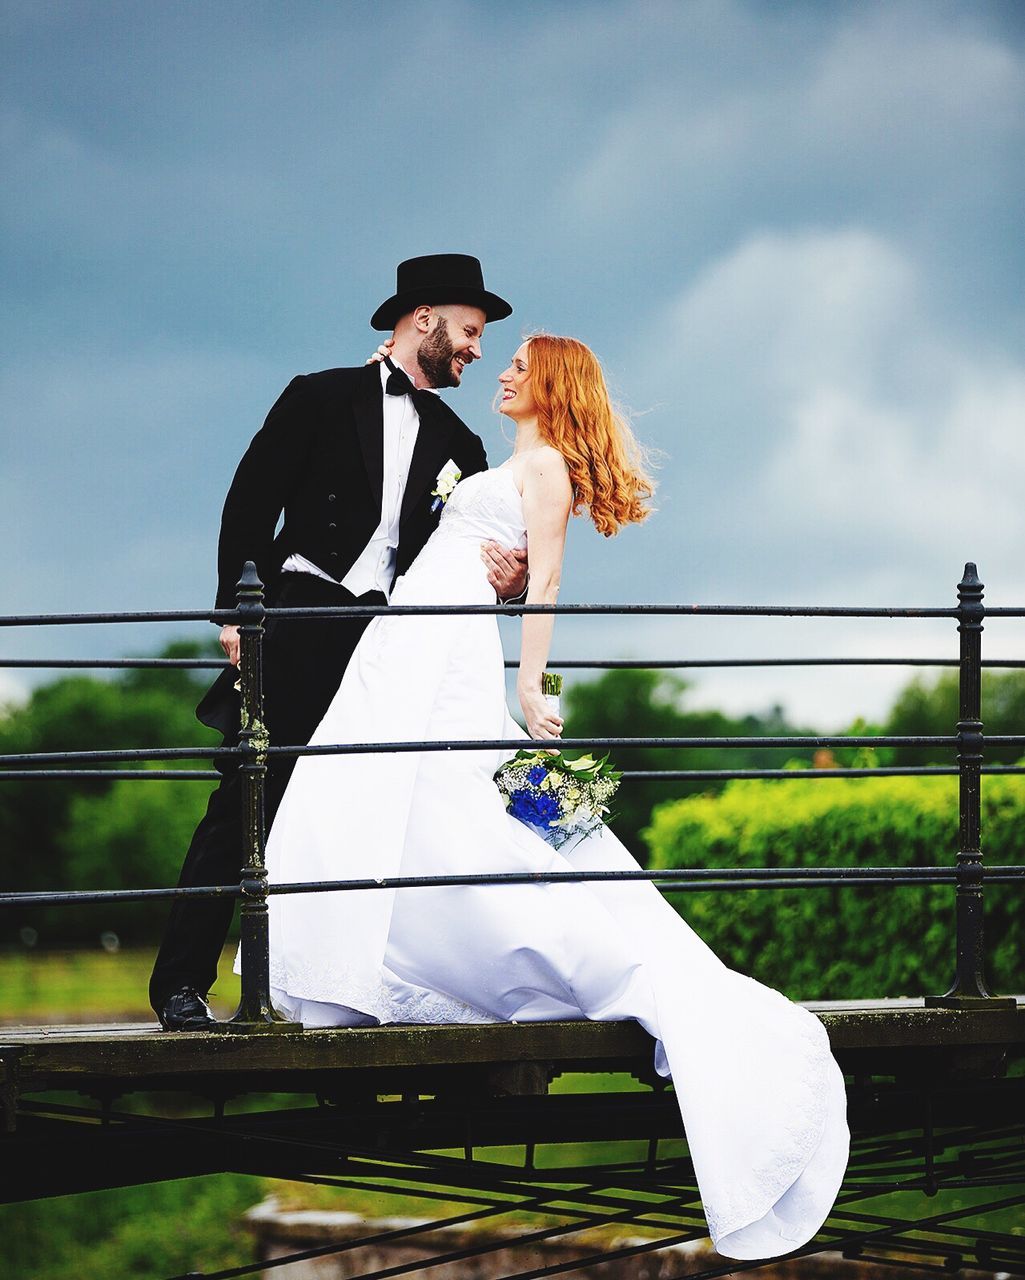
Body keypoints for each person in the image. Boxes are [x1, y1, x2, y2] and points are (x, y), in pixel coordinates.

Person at [257, 334, 850, 1259]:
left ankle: (562, 929)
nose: (500, 373)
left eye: (517, 365)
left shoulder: (548, 474)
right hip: (415, 635)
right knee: (391, 784)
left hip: (445, 652)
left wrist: (531, 685)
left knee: (466, 780)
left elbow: (549, 580)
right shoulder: (504, 462)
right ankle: (378, 958)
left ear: (550, 384)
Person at [150, 254, 527, 1031]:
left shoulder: (462, 445)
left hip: (391, 643)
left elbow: (467, 558)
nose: (476, 350)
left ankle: (346, 994)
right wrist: (237, 616)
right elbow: (248, 503)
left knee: (375, 810)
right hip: (298, 622)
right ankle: (183, 985)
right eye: (469, 330)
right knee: (247, 801)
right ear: (421, 318)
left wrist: (512, 582)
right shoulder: (317, 396)